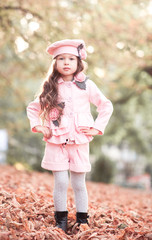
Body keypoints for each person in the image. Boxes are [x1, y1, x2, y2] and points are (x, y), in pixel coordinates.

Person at [26, 39, 113, 232]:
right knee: (61, 181)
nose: (66, 62)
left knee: (78, 182)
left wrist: (97, 127)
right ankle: (61, 220)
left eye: (71, 59)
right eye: (62, 59)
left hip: (80, 141)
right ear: (55, 63)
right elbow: (33, 108)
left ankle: (82, 220)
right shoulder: (50, 86)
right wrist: (38, 126)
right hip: (56, 141)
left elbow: (106, 105)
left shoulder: (87, 85)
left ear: (78, 62)